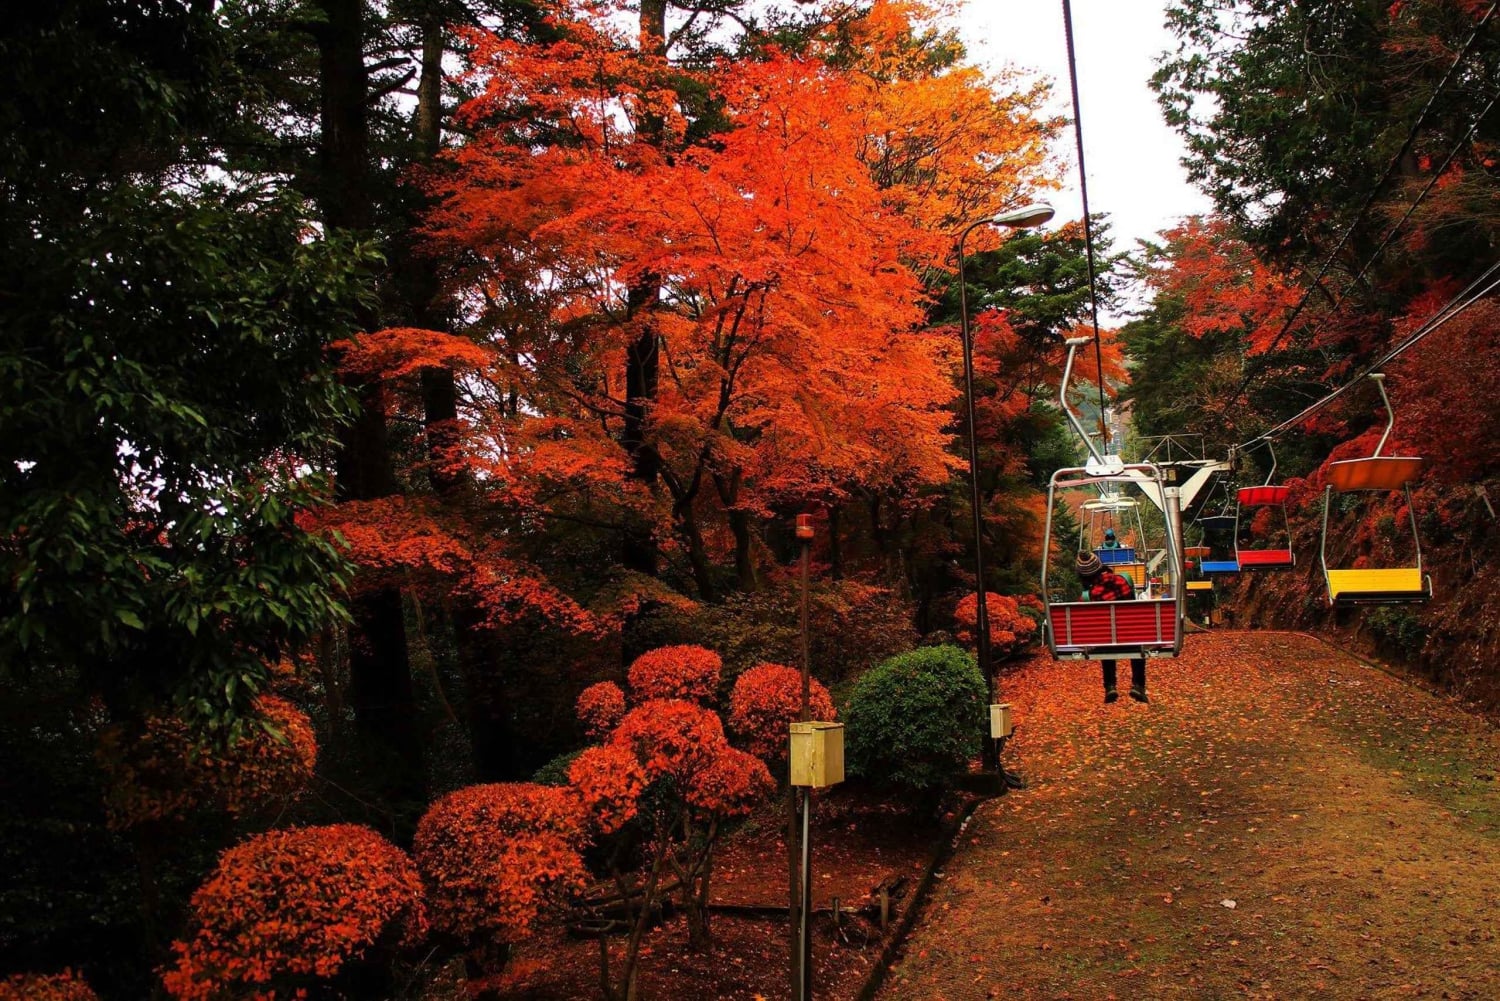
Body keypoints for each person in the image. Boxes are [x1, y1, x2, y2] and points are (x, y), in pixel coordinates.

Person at [1075, 551, 1148, 704]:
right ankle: (1138, 685)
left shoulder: (1088, 596)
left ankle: (1110, 686)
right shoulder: (1125, 580)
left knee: (1105, 639)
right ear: (1101, 566)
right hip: (1131, 639)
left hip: (1107, 641)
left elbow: (1086, 623)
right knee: (1137, 640)